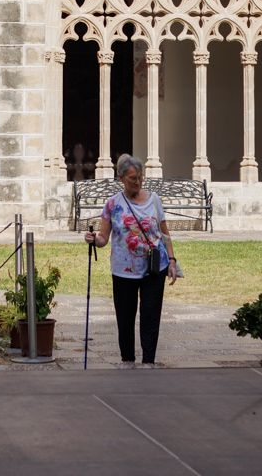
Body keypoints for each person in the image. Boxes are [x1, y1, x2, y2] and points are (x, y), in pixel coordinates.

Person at [84, 153, 178, 366]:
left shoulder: (154, 200)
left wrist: (172, 259)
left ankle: (149, 361)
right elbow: (103, 239)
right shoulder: (112, 204)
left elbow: (164, 233)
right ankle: (127, 359)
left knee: (151, 316)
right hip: (123, 270)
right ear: (121, 178)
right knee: (125, 319)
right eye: (132, 178)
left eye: (140, 177)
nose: (137, 182)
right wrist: (92, 239)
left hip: (155, 268)